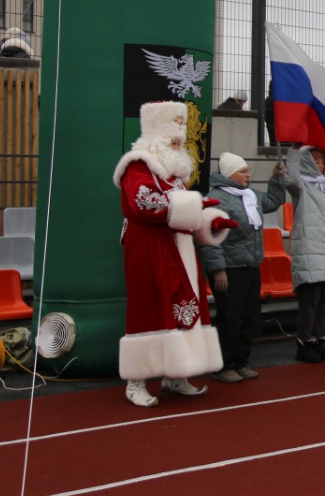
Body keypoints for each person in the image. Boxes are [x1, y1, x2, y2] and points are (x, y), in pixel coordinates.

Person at [113, 101, 237, 407]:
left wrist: (210, 221)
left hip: (179, 249)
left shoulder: (174, 174)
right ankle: (136, 380)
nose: (178, 145)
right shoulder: (136, 166)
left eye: (179, 141)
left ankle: (175, 374)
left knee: (181, 308)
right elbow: (145, 204)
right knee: (148, 308)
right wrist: (196, 208)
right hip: (149, 249)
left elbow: (185, 210)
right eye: (172, 140)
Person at [199, 152, 287, 383]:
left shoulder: (250, 195)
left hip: (250, 265)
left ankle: (241, 362)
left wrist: (276, 179)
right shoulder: (216, 199)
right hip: (229, 270)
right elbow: (209, 236)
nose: (248, 174)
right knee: (230, 319)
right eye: (243, 171)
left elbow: (274, 202)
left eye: (247, 170)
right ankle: (223, 365)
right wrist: (218, 269)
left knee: (250, 318)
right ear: (230, 174)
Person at [285, 145, 325, 363]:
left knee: (324, 301)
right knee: (310, 302)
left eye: (322, 161)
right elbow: (290, 179)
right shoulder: (302, 185)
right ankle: (303, 342)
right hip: (311, 251)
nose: (320, 165)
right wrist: (293, 151)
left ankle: (319, 338)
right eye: (315, 161)